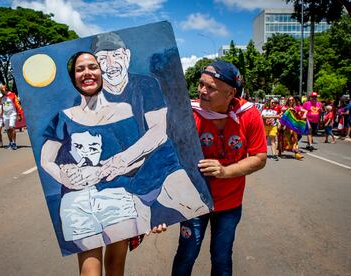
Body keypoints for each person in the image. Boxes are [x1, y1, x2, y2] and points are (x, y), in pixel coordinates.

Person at [41, 52, 167, 276]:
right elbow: (46, 160)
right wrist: (63, 176)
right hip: (76, 201)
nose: (87, 73)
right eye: (80, 69)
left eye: (92, 67)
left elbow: (141, 158)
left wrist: (150, 210)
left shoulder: (125, 110)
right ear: (73, 77)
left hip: (117, 195)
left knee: (116, 267)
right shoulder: (63, 117)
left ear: (101, 72)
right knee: (89, 270)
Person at [92, 32, 209, 220]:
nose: (111, 64)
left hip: (158, 166)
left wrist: (122, 160)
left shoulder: (145, 84)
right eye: (103, 58)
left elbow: (159, 131)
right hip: (115, 180)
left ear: (127, 56)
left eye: (116, 55)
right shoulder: (88, 99)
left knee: (193, 206)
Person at [172, 61, 267, 275]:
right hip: (194, 202)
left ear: (230, 93)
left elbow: (259, 158)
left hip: (230, 204)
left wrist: (225, 171)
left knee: (222, 257)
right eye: (200, 84)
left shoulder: (249, 114)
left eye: (211, 88)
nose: (202, 91)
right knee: (186, 255)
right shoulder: (189, 114)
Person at [0, 84, 23, 150]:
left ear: (5, 89)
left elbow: (18, 105)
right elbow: (2, 107)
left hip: (12, 114)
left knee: (11, 127)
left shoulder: (12, 95)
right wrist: (0, 114)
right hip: (5, 115)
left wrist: (20, 114)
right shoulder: (2, 98)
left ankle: (14, 143)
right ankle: (11, 142)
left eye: (1, 90)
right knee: (7, 130)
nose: (1, 91)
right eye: (0, 90)